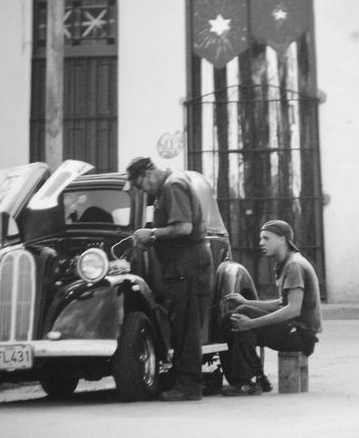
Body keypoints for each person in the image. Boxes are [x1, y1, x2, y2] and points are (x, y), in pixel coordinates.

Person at [126, 157, 213, 402]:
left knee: (187, 327)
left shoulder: (172, 185)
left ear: (149, 172)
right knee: (181, 324)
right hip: (181, 265)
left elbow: (183, 227)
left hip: (188, 264)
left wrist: (151, 232)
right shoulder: (170, 183)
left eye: (142, 185)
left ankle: (189, 386)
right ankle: (182, 379)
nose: (144, 190)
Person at [221, 220, 322, 396]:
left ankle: (248, 381)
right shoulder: (288, 263)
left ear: (282, 239)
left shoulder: (294, 266)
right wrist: (246, 302)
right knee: (235, 317)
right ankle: (256, 378)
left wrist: (252, 323)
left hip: (300, 335)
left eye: (266, 238)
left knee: (241, 318)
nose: (261, 243)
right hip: (295, 330)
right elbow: (281, 303)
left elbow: (293, 309)